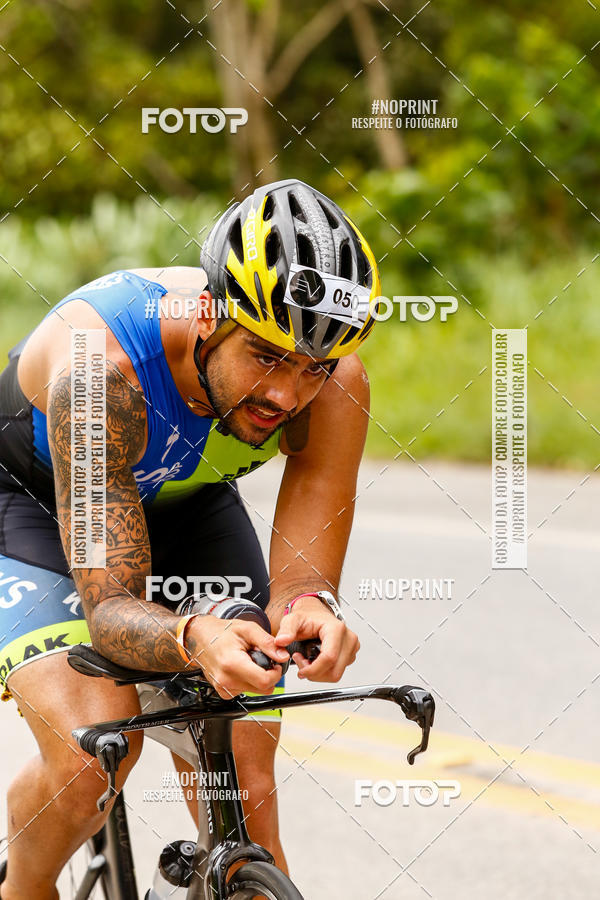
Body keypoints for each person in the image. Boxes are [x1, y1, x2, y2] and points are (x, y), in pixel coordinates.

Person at [0, 178, 381, 899]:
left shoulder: (335, 384)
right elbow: (112, 610)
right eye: (266, 356)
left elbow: (306, 564)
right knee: (93, 757)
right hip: (32, 509)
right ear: (209, 313)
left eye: (313, 368)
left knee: (244, 783)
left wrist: (310, 606)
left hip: (183, 504)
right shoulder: (102, 374)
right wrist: (193, 636)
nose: (288, 395)